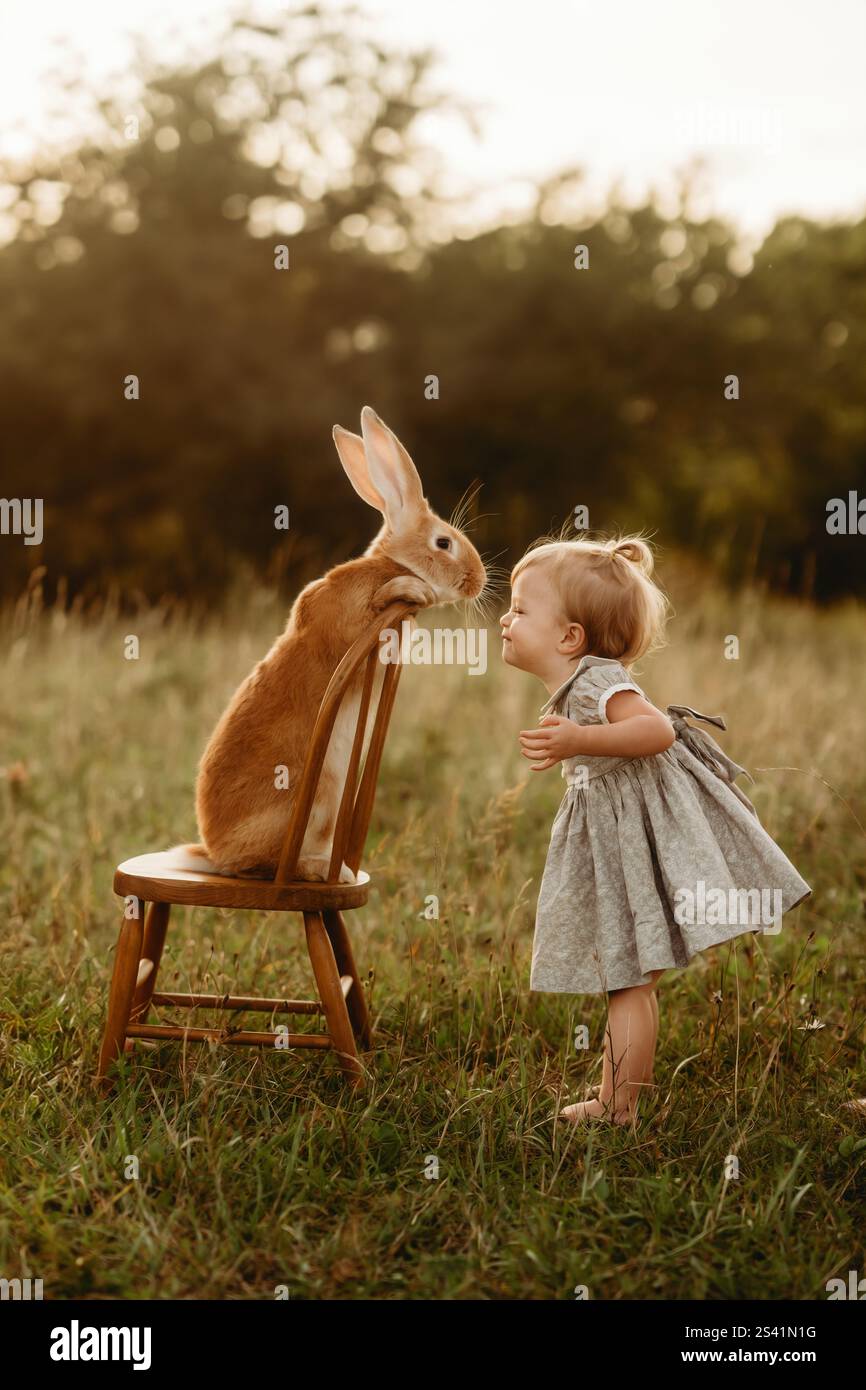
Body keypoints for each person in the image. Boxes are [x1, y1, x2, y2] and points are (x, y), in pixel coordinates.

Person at [500, 533, 812, 1128]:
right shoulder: (578, 684)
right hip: (625, 845)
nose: (505, 620)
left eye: (519, 609)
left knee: (627, 979)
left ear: (570, 637)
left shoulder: (596, 681)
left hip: (643, 843)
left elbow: (655, 730)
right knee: (627, 977)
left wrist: (578, 739)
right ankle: (616, 1099)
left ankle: (617, 1107)